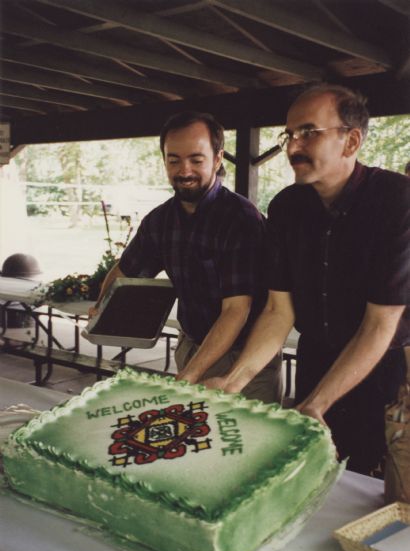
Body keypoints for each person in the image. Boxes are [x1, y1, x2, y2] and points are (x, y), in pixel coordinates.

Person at [204, 84, 409, 475]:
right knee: (312, 479)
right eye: (289, 134)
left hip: (380, 371)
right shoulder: (286, 207)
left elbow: (379, 324)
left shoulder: (397, 202)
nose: (293, 146)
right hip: (314, 360)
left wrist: (318, 403)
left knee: (366, 489)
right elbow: (278, 310)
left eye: (309, 132)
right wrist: (233, 380)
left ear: (351, 141)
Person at [89, 110, 282, 404]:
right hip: (191, 345)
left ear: (218, 159)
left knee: (243, 444)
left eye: (196, 159)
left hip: (244, 358)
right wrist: (101, 307)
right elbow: (125, 271)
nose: (184, 170)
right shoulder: (160, 219)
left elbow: (236, 311)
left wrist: (190, 375)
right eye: (174, 160)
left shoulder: (240, 219)